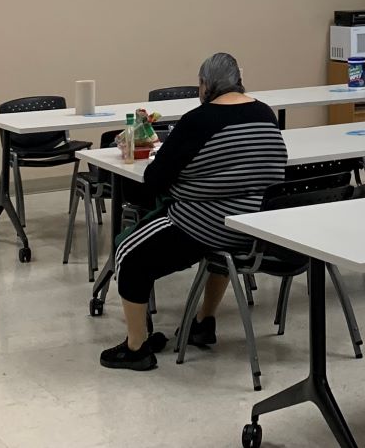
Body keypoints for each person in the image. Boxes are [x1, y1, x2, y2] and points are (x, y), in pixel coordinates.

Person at [101, 52, 286, 371]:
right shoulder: (265, 114)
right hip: (252, 227)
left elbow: (156, 179)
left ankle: (136, 346)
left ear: (205, 85)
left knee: (128, 251)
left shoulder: (198, 121)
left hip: (204, 225)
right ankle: (204, 322)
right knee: (222, 251)